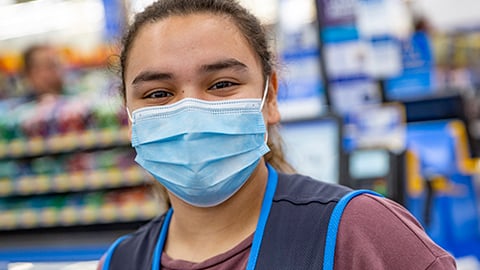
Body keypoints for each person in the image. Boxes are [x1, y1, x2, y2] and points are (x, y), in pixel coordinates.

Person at [98, 0, 456, 269]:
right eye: (158, 93)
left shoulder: (358, 231)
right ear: (130, 116)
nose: (190, 110)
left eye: (222, 84)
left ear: (270, 97)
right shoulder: (119, 262)